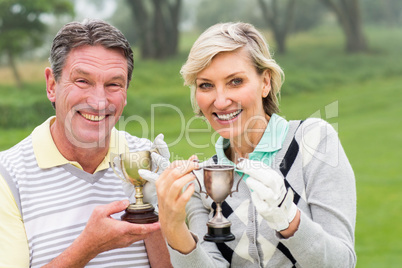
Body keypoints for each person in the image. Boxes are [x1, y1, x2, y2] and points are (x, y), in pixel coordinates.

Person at [153, 22, 357, 267]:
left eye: (235, 81)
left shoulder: (313, 141)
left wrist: (289, 219)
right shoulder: (203, 179)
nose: (220, 101)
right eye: (206, 85)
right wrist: (172, 226)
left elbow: (342, 262)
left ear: (265, 83)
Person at [0, 19, 172, 267]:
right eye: (82, 81)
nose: (100, 102)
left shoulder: (146, 161)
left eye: (114, 84)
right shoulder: (7, 176)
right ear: (51, 85)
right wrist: (88, 247)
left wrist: (158, 212)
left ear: (126, 90)